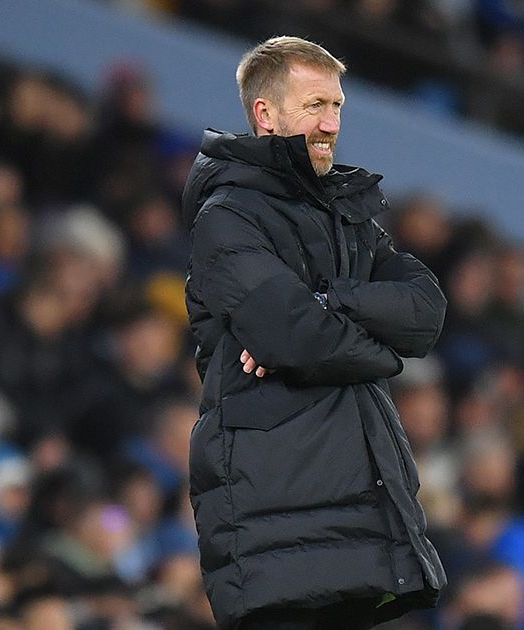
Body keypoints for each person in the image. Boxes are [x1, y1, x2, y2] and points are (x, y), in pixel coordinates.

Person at [182, 36, 448, 629]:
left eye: (337, 106)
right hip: (277, 522)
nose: (331, 123)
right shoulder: (227, 216)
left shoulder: (348, 212)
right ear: (265, 115)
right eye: (314, 106)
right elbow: (293, 335)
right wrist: (382, 353)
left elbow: (425, 310)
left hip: (359, 518)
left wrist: (332, 299)